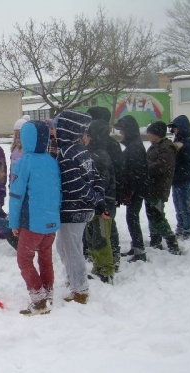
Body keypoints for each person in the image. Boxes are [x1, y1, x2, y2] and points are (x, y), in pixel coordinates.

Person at [9, 120, 61, 316]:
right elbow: (58, 191)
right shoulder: (51, 161)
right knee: (45, 257)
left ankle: (38, 301)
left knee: (24, 259)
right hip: (51, 222)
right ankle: (47, 294)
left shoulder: (24, 163)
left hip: (33, 223)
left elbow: (16, 196)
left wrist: (14, 222)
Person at [56, 109, 107, 305]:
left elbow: (75, 185)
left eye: (59, 127)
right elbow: (96, 177)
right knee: (64, 247)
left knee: (71, 250)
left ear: (66, 129)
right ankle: (73, 280)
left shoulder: (68, 153)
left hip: (73, 210)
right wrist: (98, 198)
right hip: (81, 209)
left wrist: (95, 199)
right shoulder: (81, 150)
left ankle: (80, 290)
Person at [87, 106, 124, 272]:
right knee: (101, 230)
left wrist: (111, 194)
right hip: (104, 196)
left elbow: (107, 174)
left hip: (105, 197)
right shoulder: (96, 147)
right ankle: (107, 259)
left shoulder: (104, 149)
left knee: (104, 231)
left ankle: (110, 261)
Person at [82, 119, 116, 283]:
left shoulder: (100, 156)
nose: (84, 138)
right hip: (94, 205)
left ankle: (106, 271)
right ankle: (98, 266)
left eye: (87, 135)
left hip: (102, 206)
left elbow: (102, 183)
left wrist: (97, 200)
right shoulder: (92, 153)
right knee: (93, 238)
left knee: (101, 238)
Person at [115, 115, 149, 262]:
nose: (120, 133)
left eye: (122, 130)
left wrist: (130, 190)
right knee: (132, 217)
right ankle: (136, 246)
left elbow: (135, 171)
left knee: (132, 218)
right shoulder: (133, 144)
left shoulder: (134, 147)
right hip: (137, 188)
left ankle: (140, 251)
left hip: (136, 189)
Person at [144, 121, 180, 255]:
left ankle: (171, 240)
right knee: (151, 213)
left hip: (158, 187)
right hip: (150, 186)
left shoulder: (166, 147)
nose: (148, 135)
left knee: (157, 215)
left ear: (157, 133)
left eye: (150, 132)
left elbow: (161, 166)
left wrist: (145, 167)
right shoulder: (154, 146)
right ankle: (155, 239)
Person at [167, 115, 190, 242]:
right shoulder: (178, 140)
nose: (173, 131)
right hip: (177, 178)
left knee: (184, 205)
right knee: (178, 204)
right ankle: (180, 227)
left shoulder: (187, 141)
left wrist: (176, 152)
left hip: (184, 179)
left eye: (175, 128)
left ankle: (187, 229)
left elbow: (187, 160)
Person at [9, 115, 29, 184]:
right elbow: (11, 166)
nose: (17, 134)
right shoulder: (15, 146)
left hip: (21, 181)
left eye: (19, 131)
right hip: (14, 180)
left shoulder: (27, 147)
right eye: (16, 131)